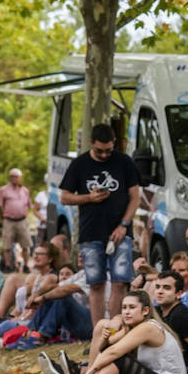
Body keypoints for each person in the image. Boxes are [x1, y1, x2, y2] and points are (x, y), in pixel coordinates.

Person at [33, 290, 186, 374]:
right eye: (124, 307)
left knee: (117, 359)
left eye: (132, 307)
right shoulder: (134, 327)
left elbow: (113, 353)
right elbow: (107, 348)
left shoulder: (148, 328)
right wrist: (107, 336)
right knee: (111, 357)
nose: (126, 312)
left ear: (145, 310)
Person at [59, 123, 140, 327]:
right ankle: (99, 334)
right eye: (99, 151)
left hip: (120, 231)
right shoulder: (79, 164)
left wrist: (124, 225)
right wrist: (89, 198)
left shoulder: (124, 162)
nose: (104, 155)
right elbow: (65, 197)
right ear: (91, 144)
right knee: (96, 284)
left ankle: (116, 329)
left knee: (120, 282)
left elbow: (135, 197)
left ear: (114, 144)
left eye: (108, 150)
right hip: (91, 232)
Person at [0, 168, 33, 271]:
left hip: (22, 220)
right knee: (7, 244)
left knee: (25, 244)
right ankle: (8, 265)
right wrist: (2, 217)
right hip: (8, 220)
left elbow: (29, 205)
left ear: (20, 178)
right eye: (11, 176)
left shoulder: (25, 191)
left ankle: (25, 265)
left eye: (15, 177)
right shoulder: (4, 190)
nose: (13, 179)